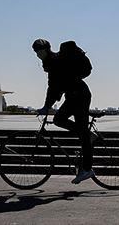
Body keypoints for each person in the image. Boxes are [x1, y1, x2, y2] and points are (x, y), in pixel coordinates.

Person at [33, 38, 94, 184]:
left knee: (81, 133)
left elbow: (53, 87)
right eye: (36, 52)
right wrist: (47, 105)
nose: (38, 55)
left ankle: (87, 169)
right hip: (73, 96)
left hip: (80, 96)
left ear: (46, 50)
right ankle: (86, 134)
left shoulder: (55, 61)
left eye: (39, 51)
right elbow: (54, 86)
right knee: (60, 120)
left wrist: (46, 106)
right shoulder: (52, 61)